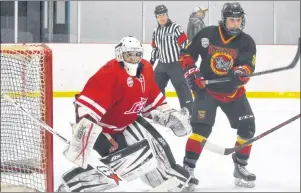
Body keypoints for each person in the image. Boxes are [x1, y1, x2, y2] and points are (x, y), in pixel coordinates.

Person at [56, 36, 198, 192]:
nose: (133, 58)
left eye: (137, 54)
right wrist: (82, 135)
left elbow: (151, 102)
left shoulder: (146, 70)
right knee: (129, 163)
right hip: (104, 131)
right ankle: (73, 187)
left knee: (155, 146)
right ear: (120, 54)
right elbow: (85, 106)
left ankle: (171, 179)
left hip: (128, 122)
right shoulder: (110, 74)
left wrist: (167, 115)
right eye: (129, 54)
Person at [179, 2, 257, 190]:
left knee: (247, 128)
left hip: (233, 92)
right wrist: (192, 72)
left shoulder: (246, 41)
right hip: (207, 91)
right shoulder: (208, 34)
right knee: (201, 131)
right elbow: (187, 54)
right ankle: (186, 170)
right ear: (224, 19)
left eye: (239, 19)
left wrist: (241, 73)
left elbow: (248, 66)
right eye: (232, 20)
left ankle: (240, 166)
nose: (236, 23)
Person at [150, 4, 193, 115]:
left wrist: (185, 56)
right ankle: (160, 110)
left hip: (175, 64)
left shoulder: (175, 27)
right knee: (155, 87)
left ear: (167, 15)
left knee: (181, 88)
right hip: (162, 64)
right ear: (156, 17)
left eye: (164, 14)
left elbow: (185, 44)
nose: (162, 17)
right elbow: (155, 48)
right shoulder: (156, 32)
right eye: (159, 15)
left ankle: (189, 112)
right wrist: (151, 62)